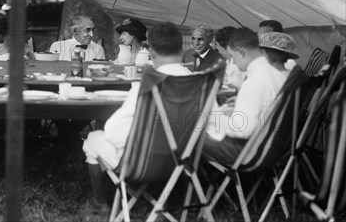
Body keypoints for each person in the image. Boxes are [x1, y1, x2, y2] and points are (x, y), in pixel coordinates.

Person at [82, 22, 190, 214]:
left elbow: (113, 131)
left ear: (153, 51)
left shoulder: (146, 83)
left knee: (93, 139)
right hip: (181, 160)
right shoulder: (197, 80)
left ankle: (100, 203)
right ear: (180, 49)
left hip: (140, 163)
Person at [203, 28, 287, 165]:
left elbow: (241, 130)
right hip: (271, 148)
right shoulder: (277, 75)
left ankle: (199, 182)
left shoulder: (254, 82)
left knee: (189, 132)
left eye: (232, 57)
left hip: (250, 152)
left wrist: (213, 117)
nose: (233, 63)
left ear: (241, 52)